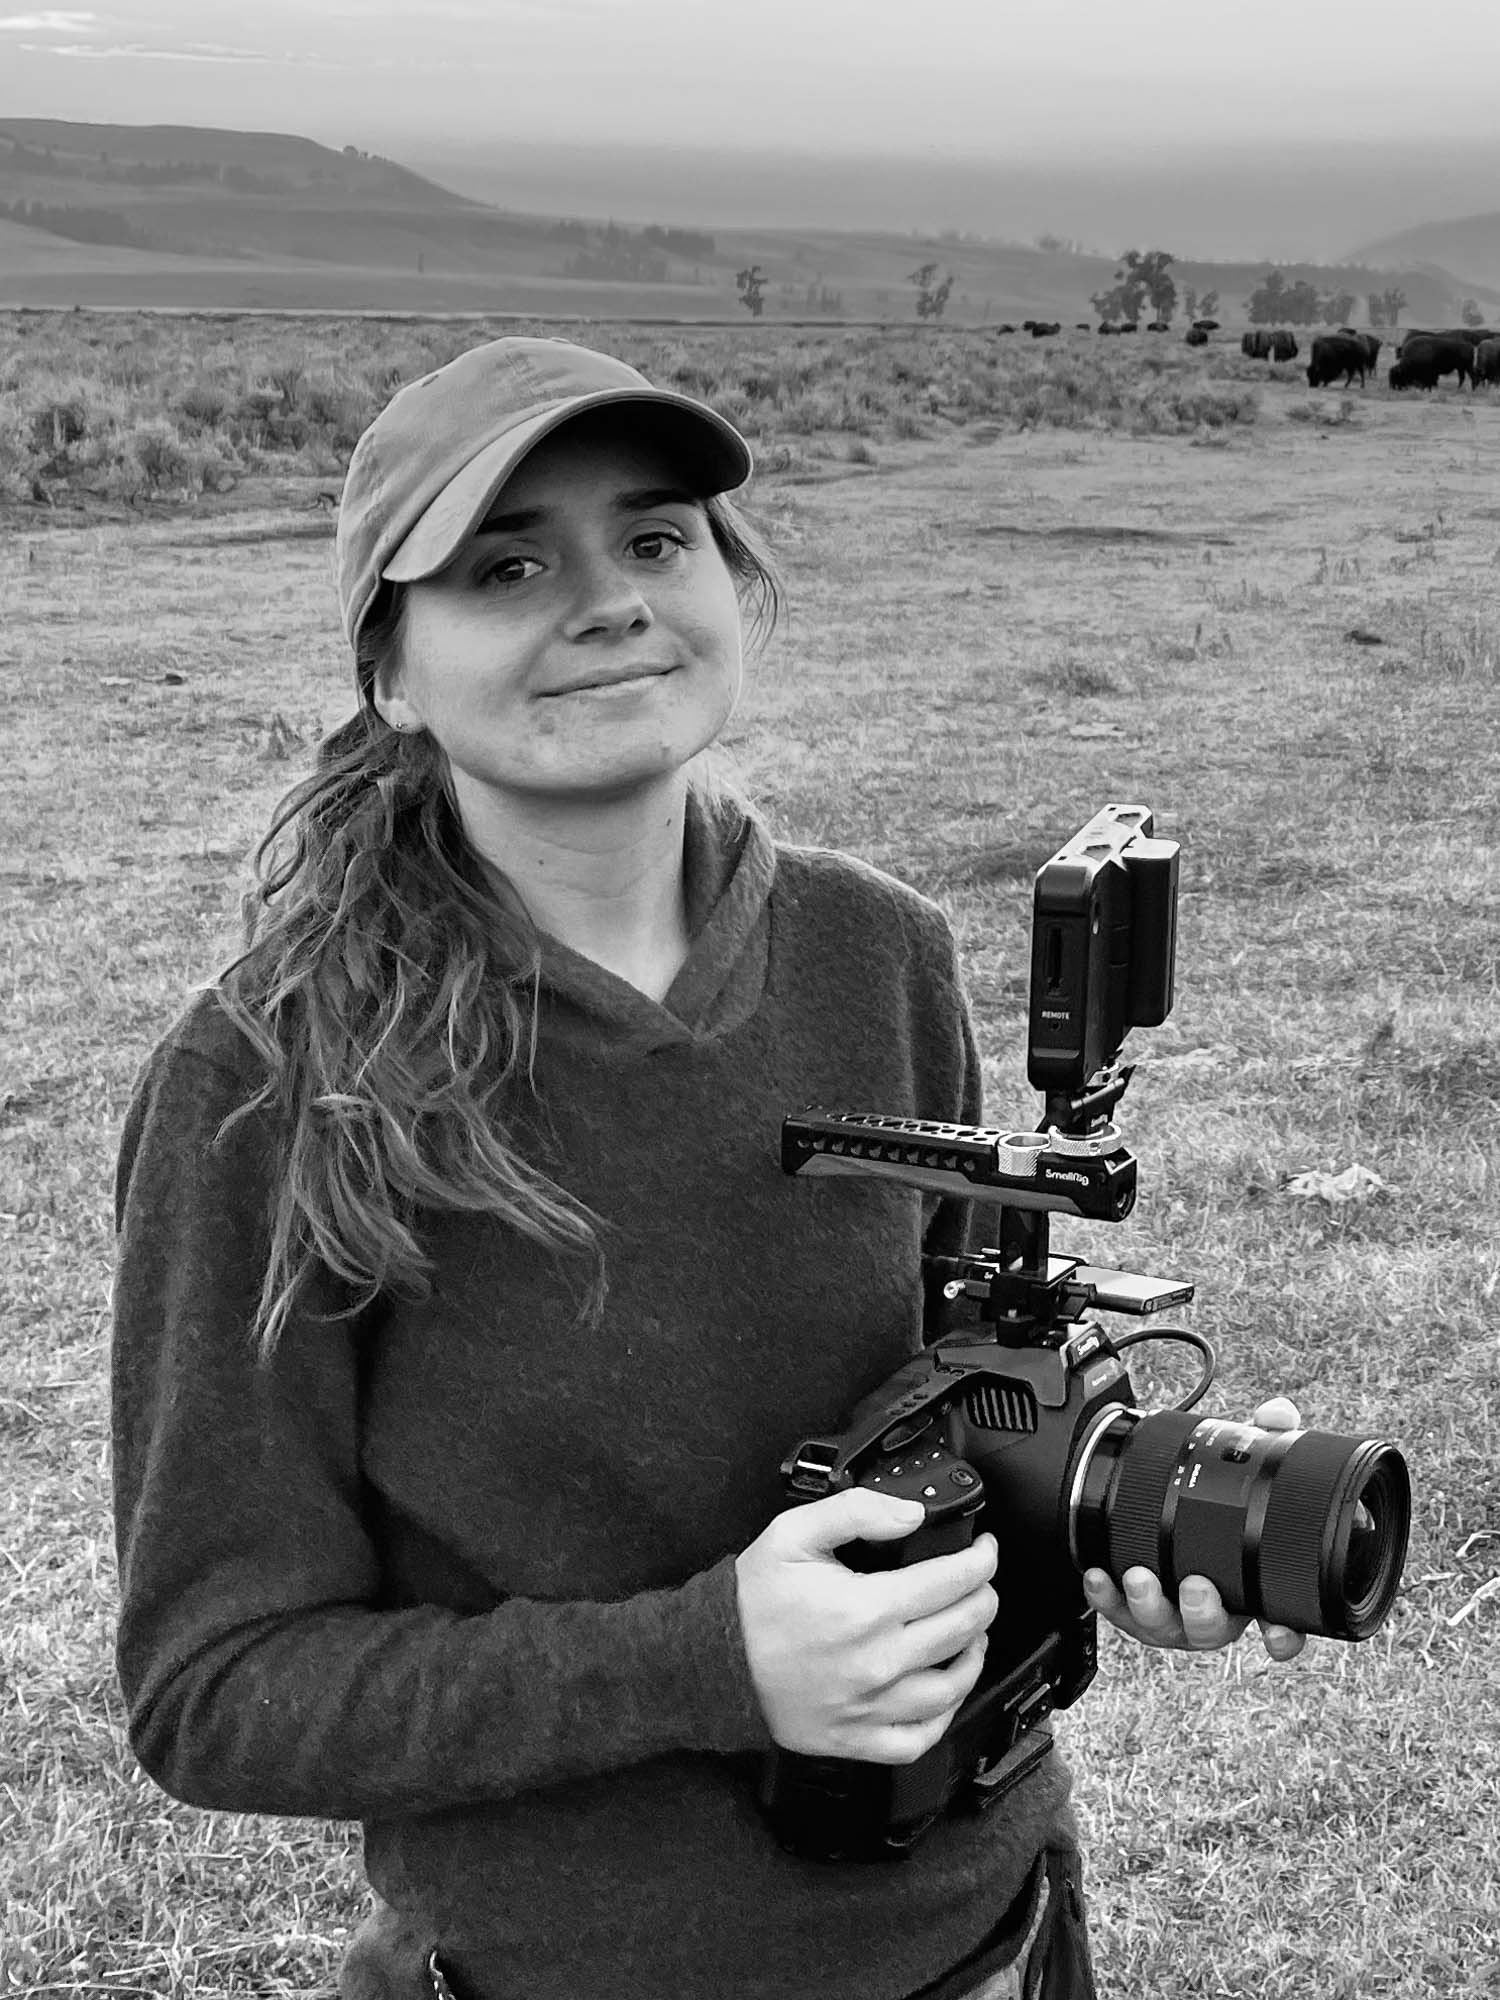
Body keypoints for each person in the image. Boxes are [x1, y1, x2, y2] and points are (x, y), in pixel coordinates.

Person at [110, 336, 1305, 2000]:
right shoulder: (266, 1080)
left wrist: (1114, 1517)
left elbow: (953, 1413)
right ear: (390, 673)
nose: (609, 602)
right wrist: (707, 1662)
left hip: (1000, 1936)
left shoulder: (875, 951)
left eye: (655, 538)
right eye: (509, 565)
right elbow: (215, 1689)